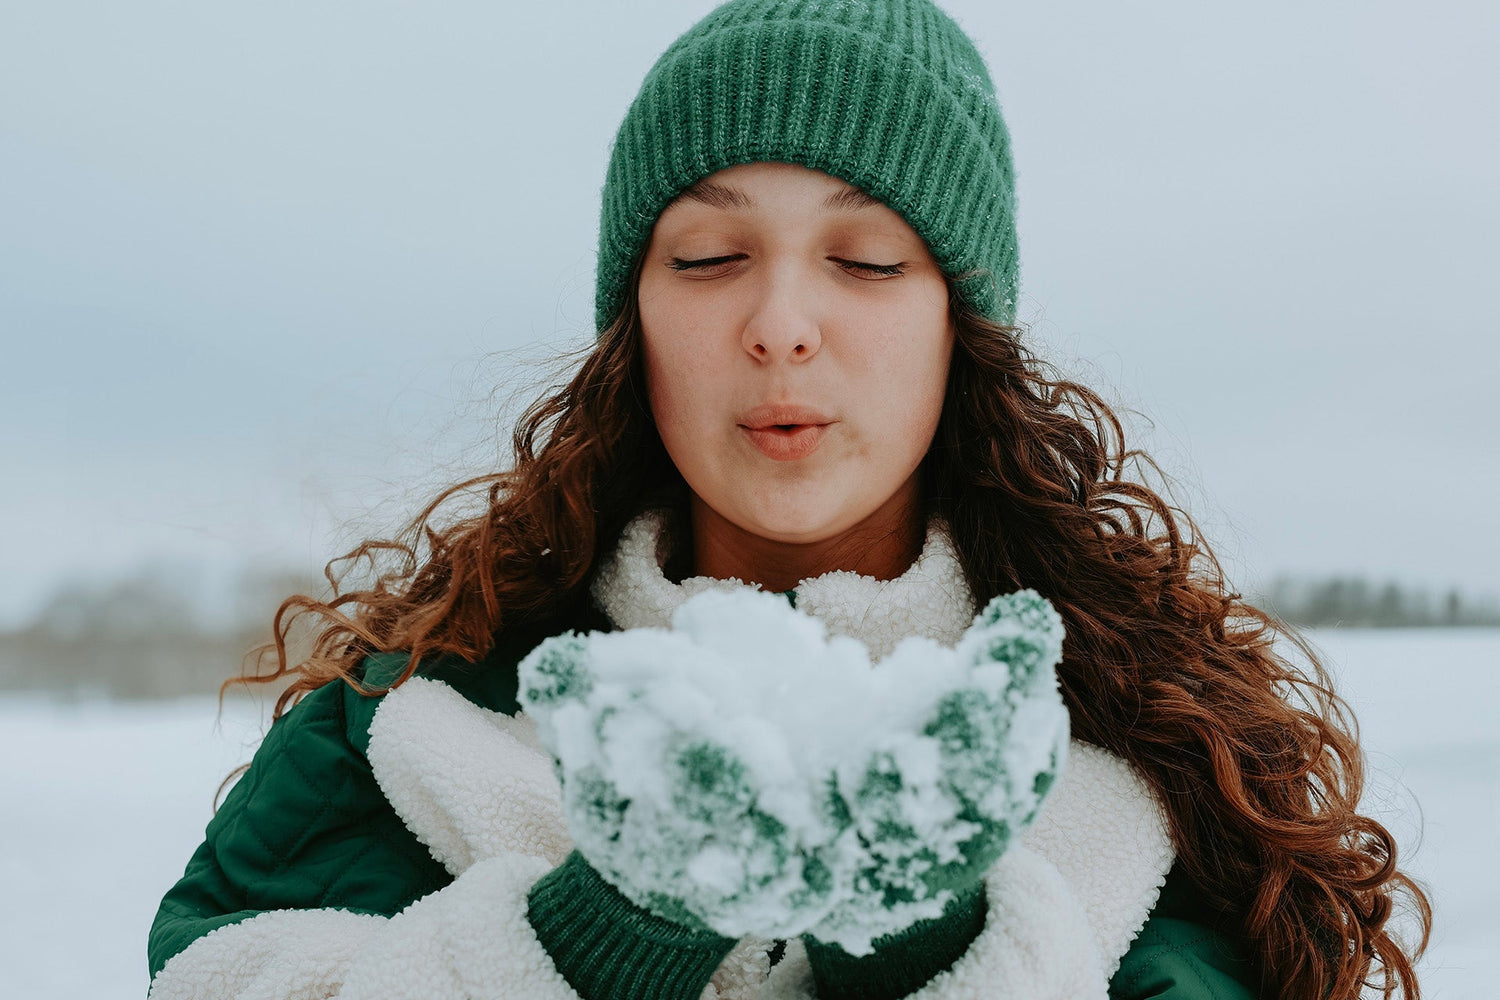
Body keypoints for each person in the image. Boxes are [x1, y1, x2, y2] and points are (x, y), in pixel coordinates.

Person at [146, 1, 1430, 998]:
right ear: (631, 319)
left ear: (959, 327)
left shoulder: (1144, 749)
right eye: (708, 258)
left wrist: (931, 942)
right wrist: (598, 935)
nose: (780, 326)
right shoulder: (424, 711)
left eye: (866, 260)